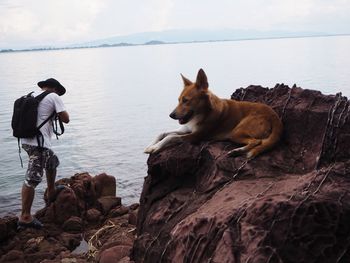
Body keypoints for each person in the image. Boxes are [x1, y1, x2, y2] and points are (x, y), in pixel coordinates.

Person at [17, 78, 70, 229]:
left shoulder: (32, 96)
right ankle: (25, 216)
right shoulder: (53, 96)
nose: (59, 94)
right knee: (32, 178)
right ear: (54, 88)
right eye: (59, 91)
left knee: (52, 161)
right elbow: (66, 119)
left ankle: (51, 191)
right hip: (38, 144)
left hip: (27, 141)